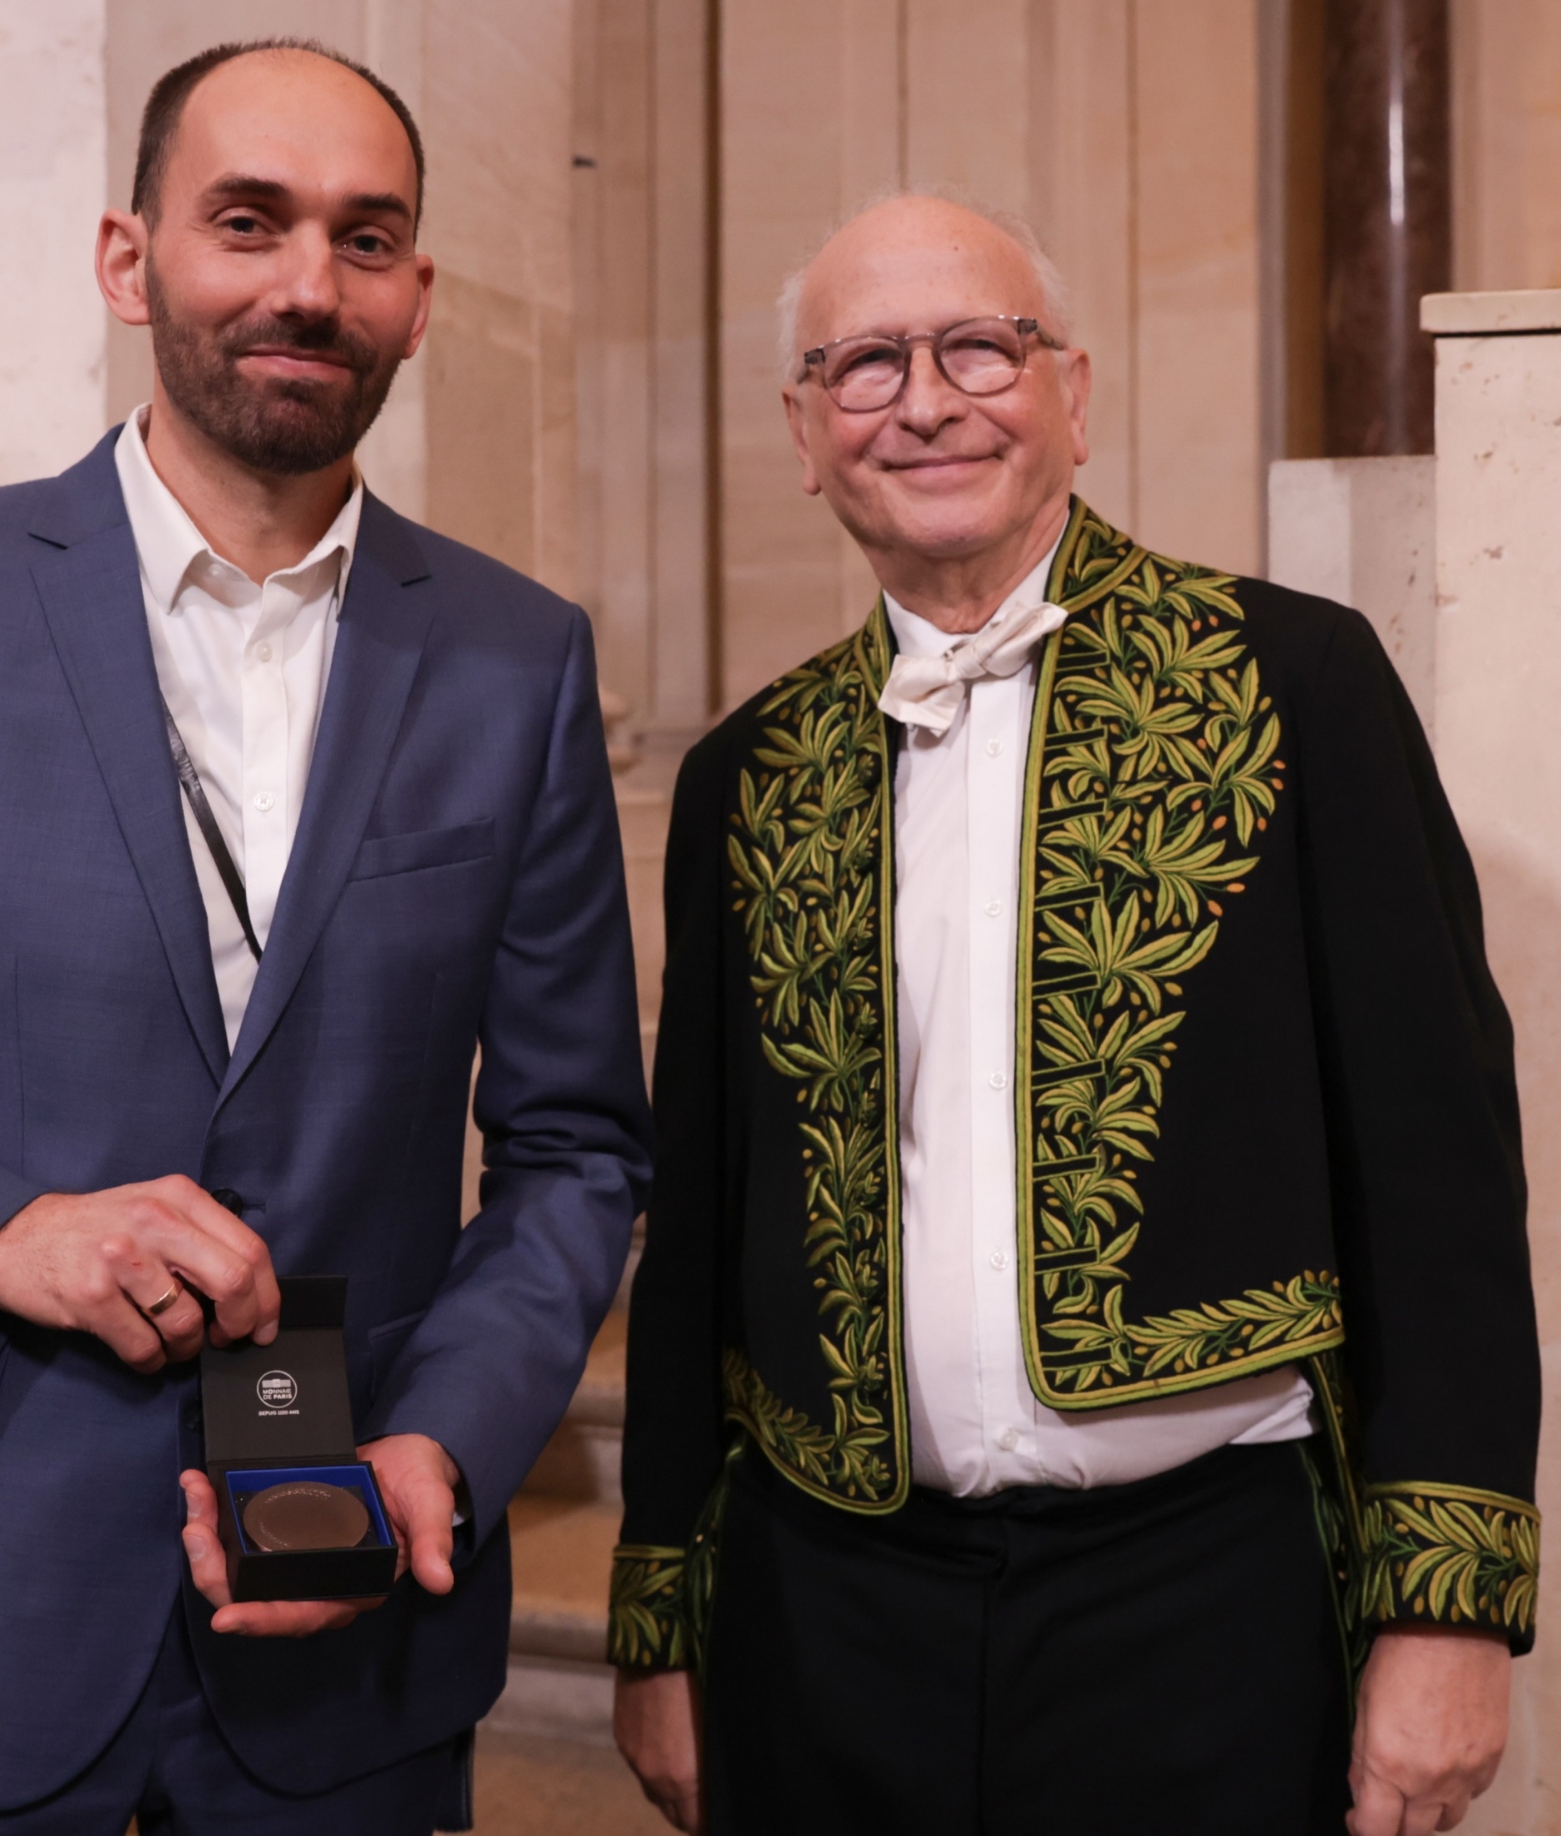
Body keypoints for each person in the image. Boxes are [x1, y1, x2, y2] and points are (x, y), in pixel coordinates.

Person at [0, 38, 649, 1836]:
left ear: (418, 296)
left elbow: (575, 1151)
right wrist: (0, 1233)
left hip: (340, 1637)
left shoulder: (515, 657)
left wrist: (442, 1446)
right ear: (128, 260)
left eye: (364, 238)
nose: (308, 283)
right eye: (249, 221)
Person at [608, 192, 1537, 1836]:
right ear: (806, 434)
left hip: (1210, 1598)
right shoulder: (746, 772)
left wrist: (1448, 1608)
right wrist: (663, 1620)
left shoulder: (1296, 683)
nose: (926, 400)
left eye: (981, 346)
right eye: (865, 364)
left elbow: (1437, 1171)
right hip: (825, 1611)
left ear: (1073, 394)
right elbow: (695, 1235)